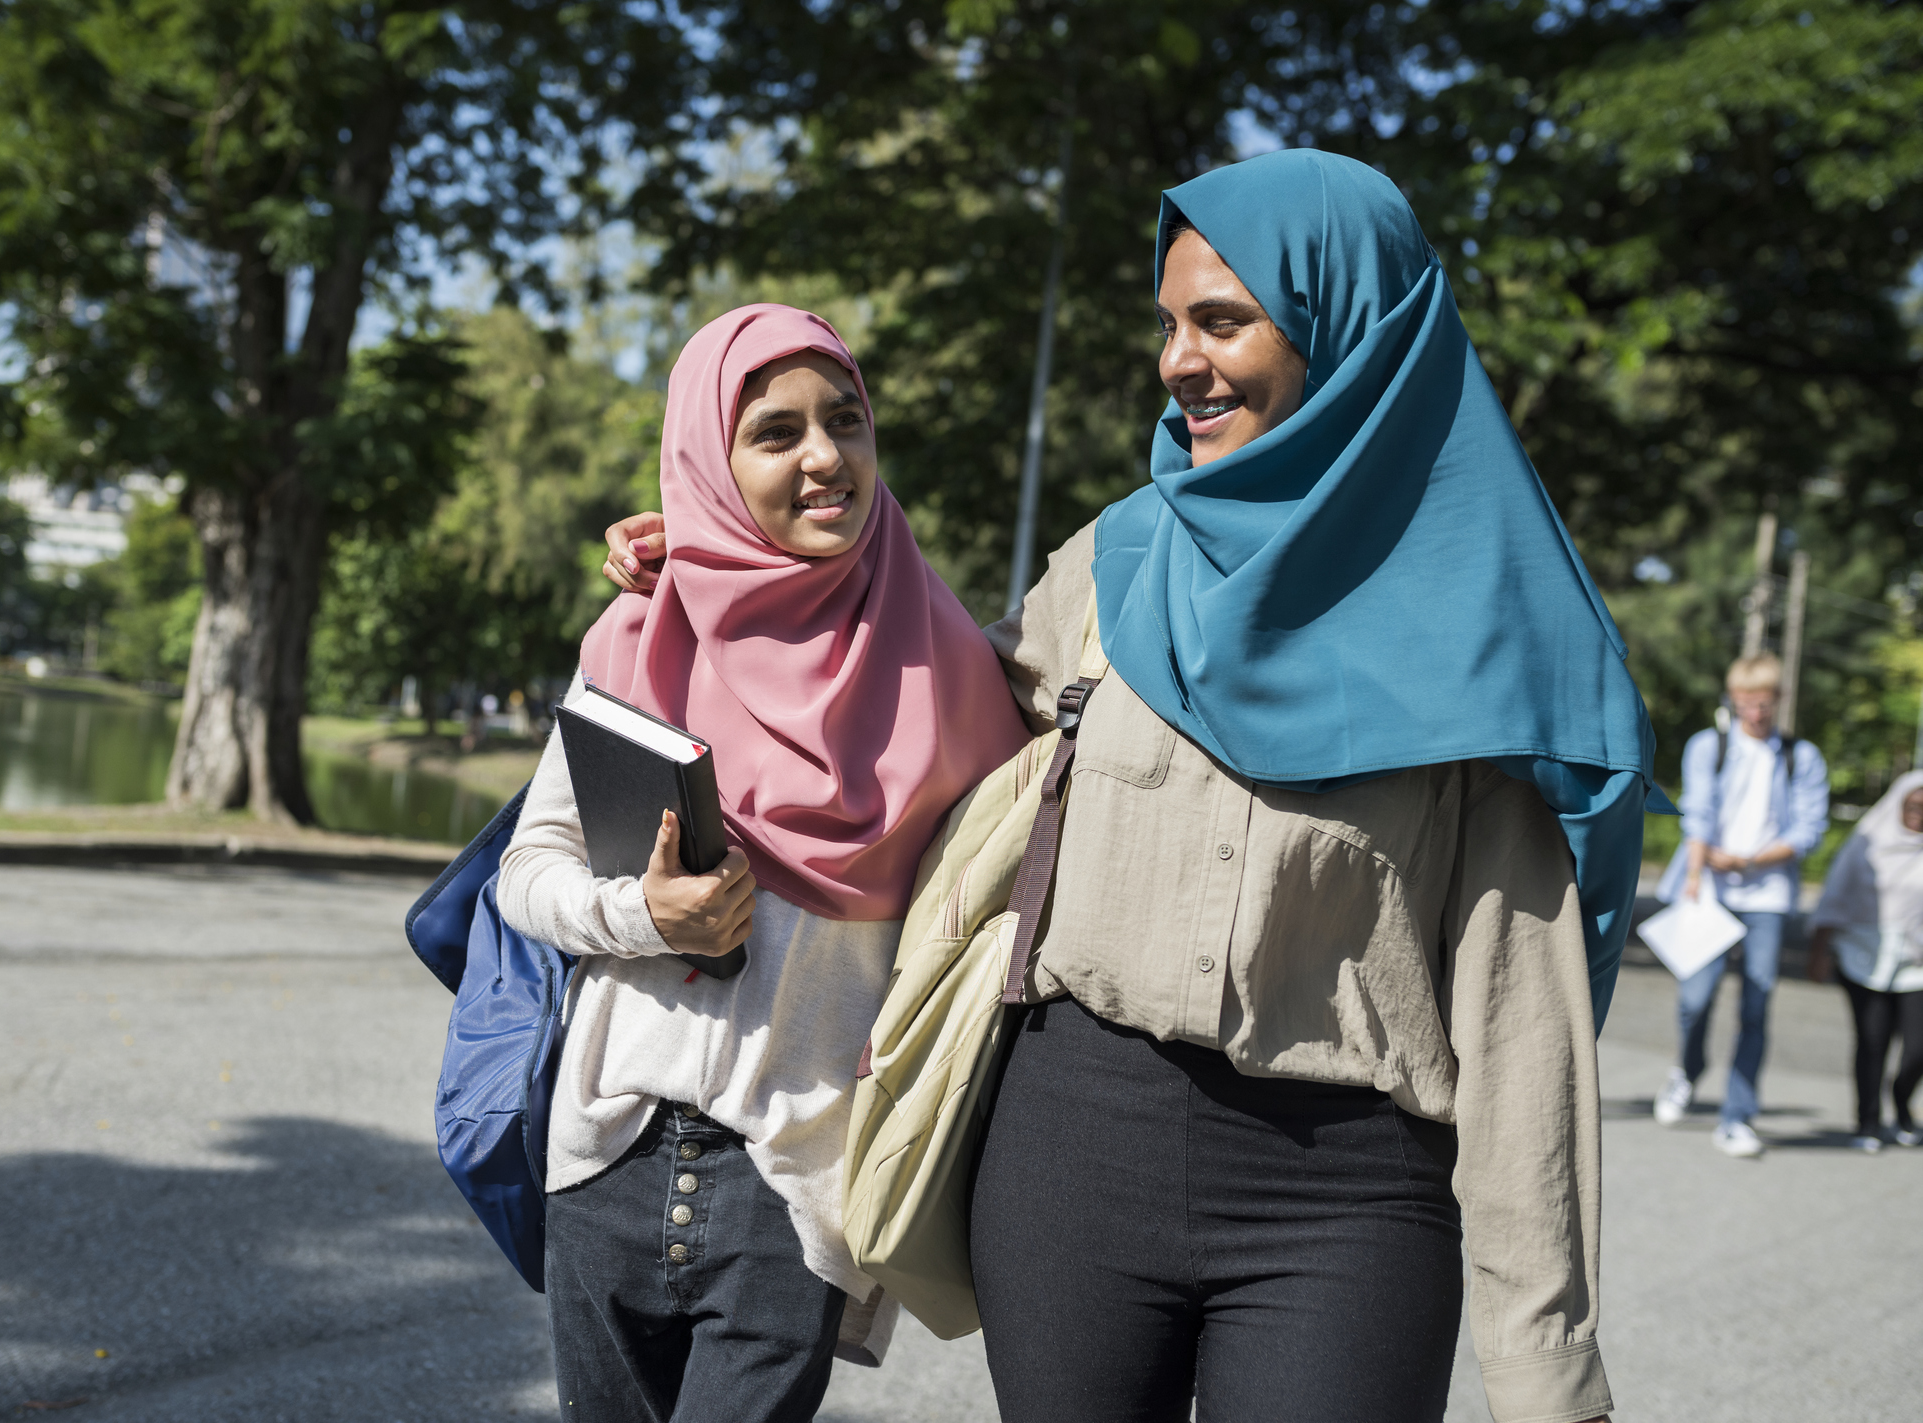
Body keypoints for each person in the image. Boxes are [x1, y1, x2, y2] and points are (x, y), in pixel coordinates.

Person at [607, 150, 1649, 1423]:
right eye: (1168, 324)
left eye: (1222, 321)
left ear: (1348, 324)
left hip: (1349, 1198)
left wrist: (1548, 1367)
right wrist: (720, 557)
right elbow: (904, 704)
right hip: (1072, 1156)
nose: (1176, 361)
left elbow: (1520, 1015)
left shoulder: (1493, 625)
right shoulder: (1118, 561)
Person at [498, 305, 1027, 1422]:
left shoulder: (962, 676)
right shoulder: (642, 633)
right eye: (775, 433)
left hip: (794, 1186)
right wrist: (650, 913)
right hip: (608, 1150)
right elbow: (528, 870)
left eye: (846, 420)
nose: (826, 456)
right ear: (712, 461)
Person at [1652, 654, 1829, 1157]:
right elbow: (1699, 812)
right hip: (1707, 889)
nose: (1755, 711)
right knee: (1695, 998)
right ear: (1733, 700)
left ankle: (1737, 1116)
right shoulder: (1711, 745)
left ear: (1778, 700)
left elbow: (1809, 829)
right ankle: (1686, 1071)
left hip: (1767, 897)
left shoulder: (1802, 756)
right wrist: (1695, 871)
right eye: (1746, 702)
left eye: (1764, 702)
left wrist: (1751, 861)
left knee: (1757, 1003)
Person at [1806, 772, 1923, 1151]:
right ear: (1898, 805)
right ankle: (1868, 1122)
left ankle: (1903, 1102)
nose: (1919, 814)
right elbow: (1835, 895)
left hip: (1917, 964)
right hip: (1863, 955)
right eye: (1913, 806)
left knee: (1916, 1051)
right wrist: (1819, 952)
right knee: (1872, 1042)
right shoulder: (1867, 842)